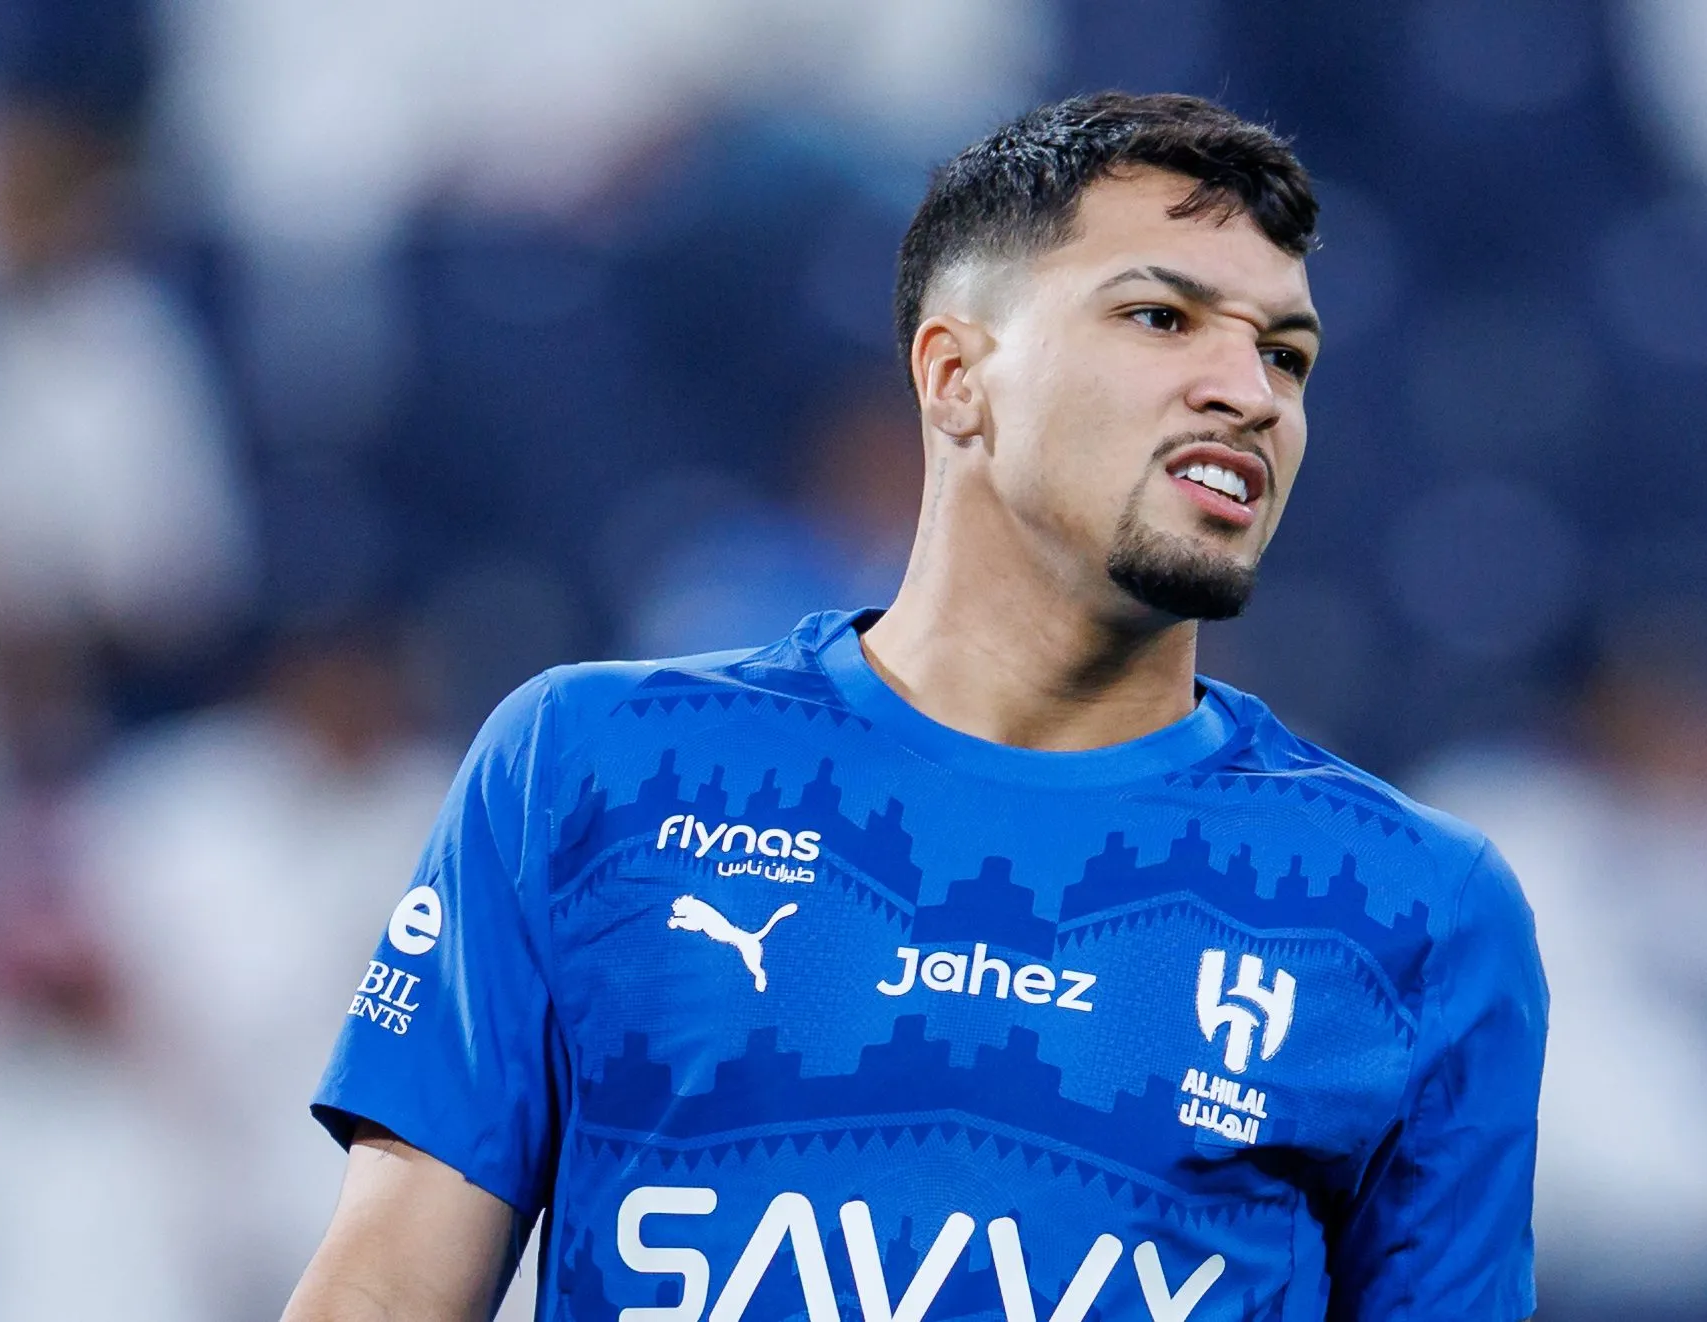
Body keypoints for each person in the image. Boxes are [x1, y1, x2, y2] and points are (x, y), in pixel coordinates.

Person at [282, 91, 1549, 1322]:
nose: (1250, 390)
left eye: (1285, 353)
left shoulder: (1418, 911)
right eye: (1162, 317)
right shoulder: (593, 769)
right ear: (955, 376)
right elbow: (387, 1287)